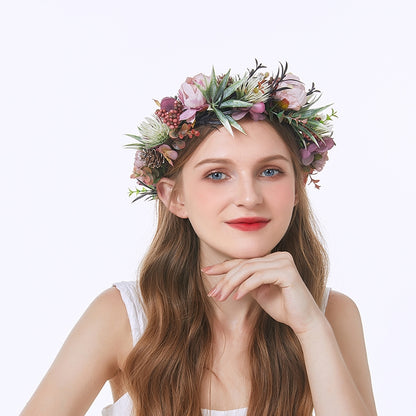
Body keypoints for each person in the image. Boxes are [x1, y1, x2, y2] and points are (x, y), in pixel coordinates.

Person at [20, 60, 377, 416]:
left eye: (270, 171)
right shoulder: (123, 316)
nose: (249, 197)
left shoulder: (330, 315)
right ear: (175, 197)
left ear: (298, 188)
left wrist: (310, 328)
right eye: (217, 175)